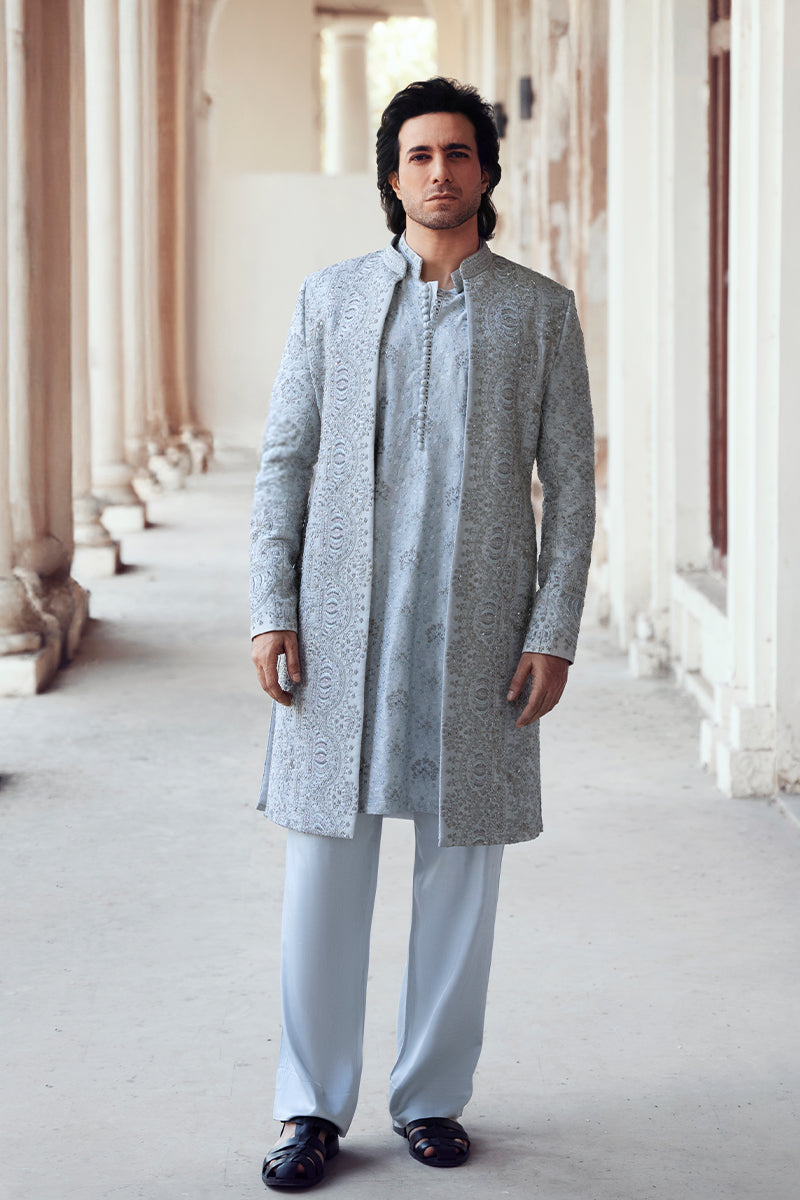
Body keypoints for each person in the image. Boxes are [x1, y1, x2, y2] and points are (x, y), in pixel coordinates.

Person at [249, 76, 595, 1189]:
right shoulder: (332, 300)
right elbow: (285, 459)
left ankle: (432, 1097)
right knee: (323, 875)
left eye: (457, 153)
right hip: (339, 628)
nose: (439, 172)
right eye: (418, 155)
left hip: (480, 630)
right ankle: (310, 1109)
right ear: (392, 177)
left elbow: (571, 487)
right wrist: (272, 605)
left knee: (461, 870)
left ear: (486, 171)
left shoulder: (540, 311)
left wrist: (552, 628)